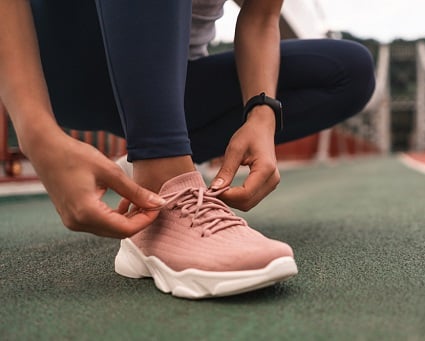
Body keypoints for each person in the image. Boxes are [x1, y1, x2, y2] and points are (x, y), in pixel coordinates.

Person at [0, 0, 375, 298]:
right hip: (58, 65)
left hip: (165, 88)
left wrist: (261, 112)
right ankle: (167, 177)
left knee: (349, 71)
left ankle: (151, 175)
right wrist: (35, 132)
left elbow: (261, 17)